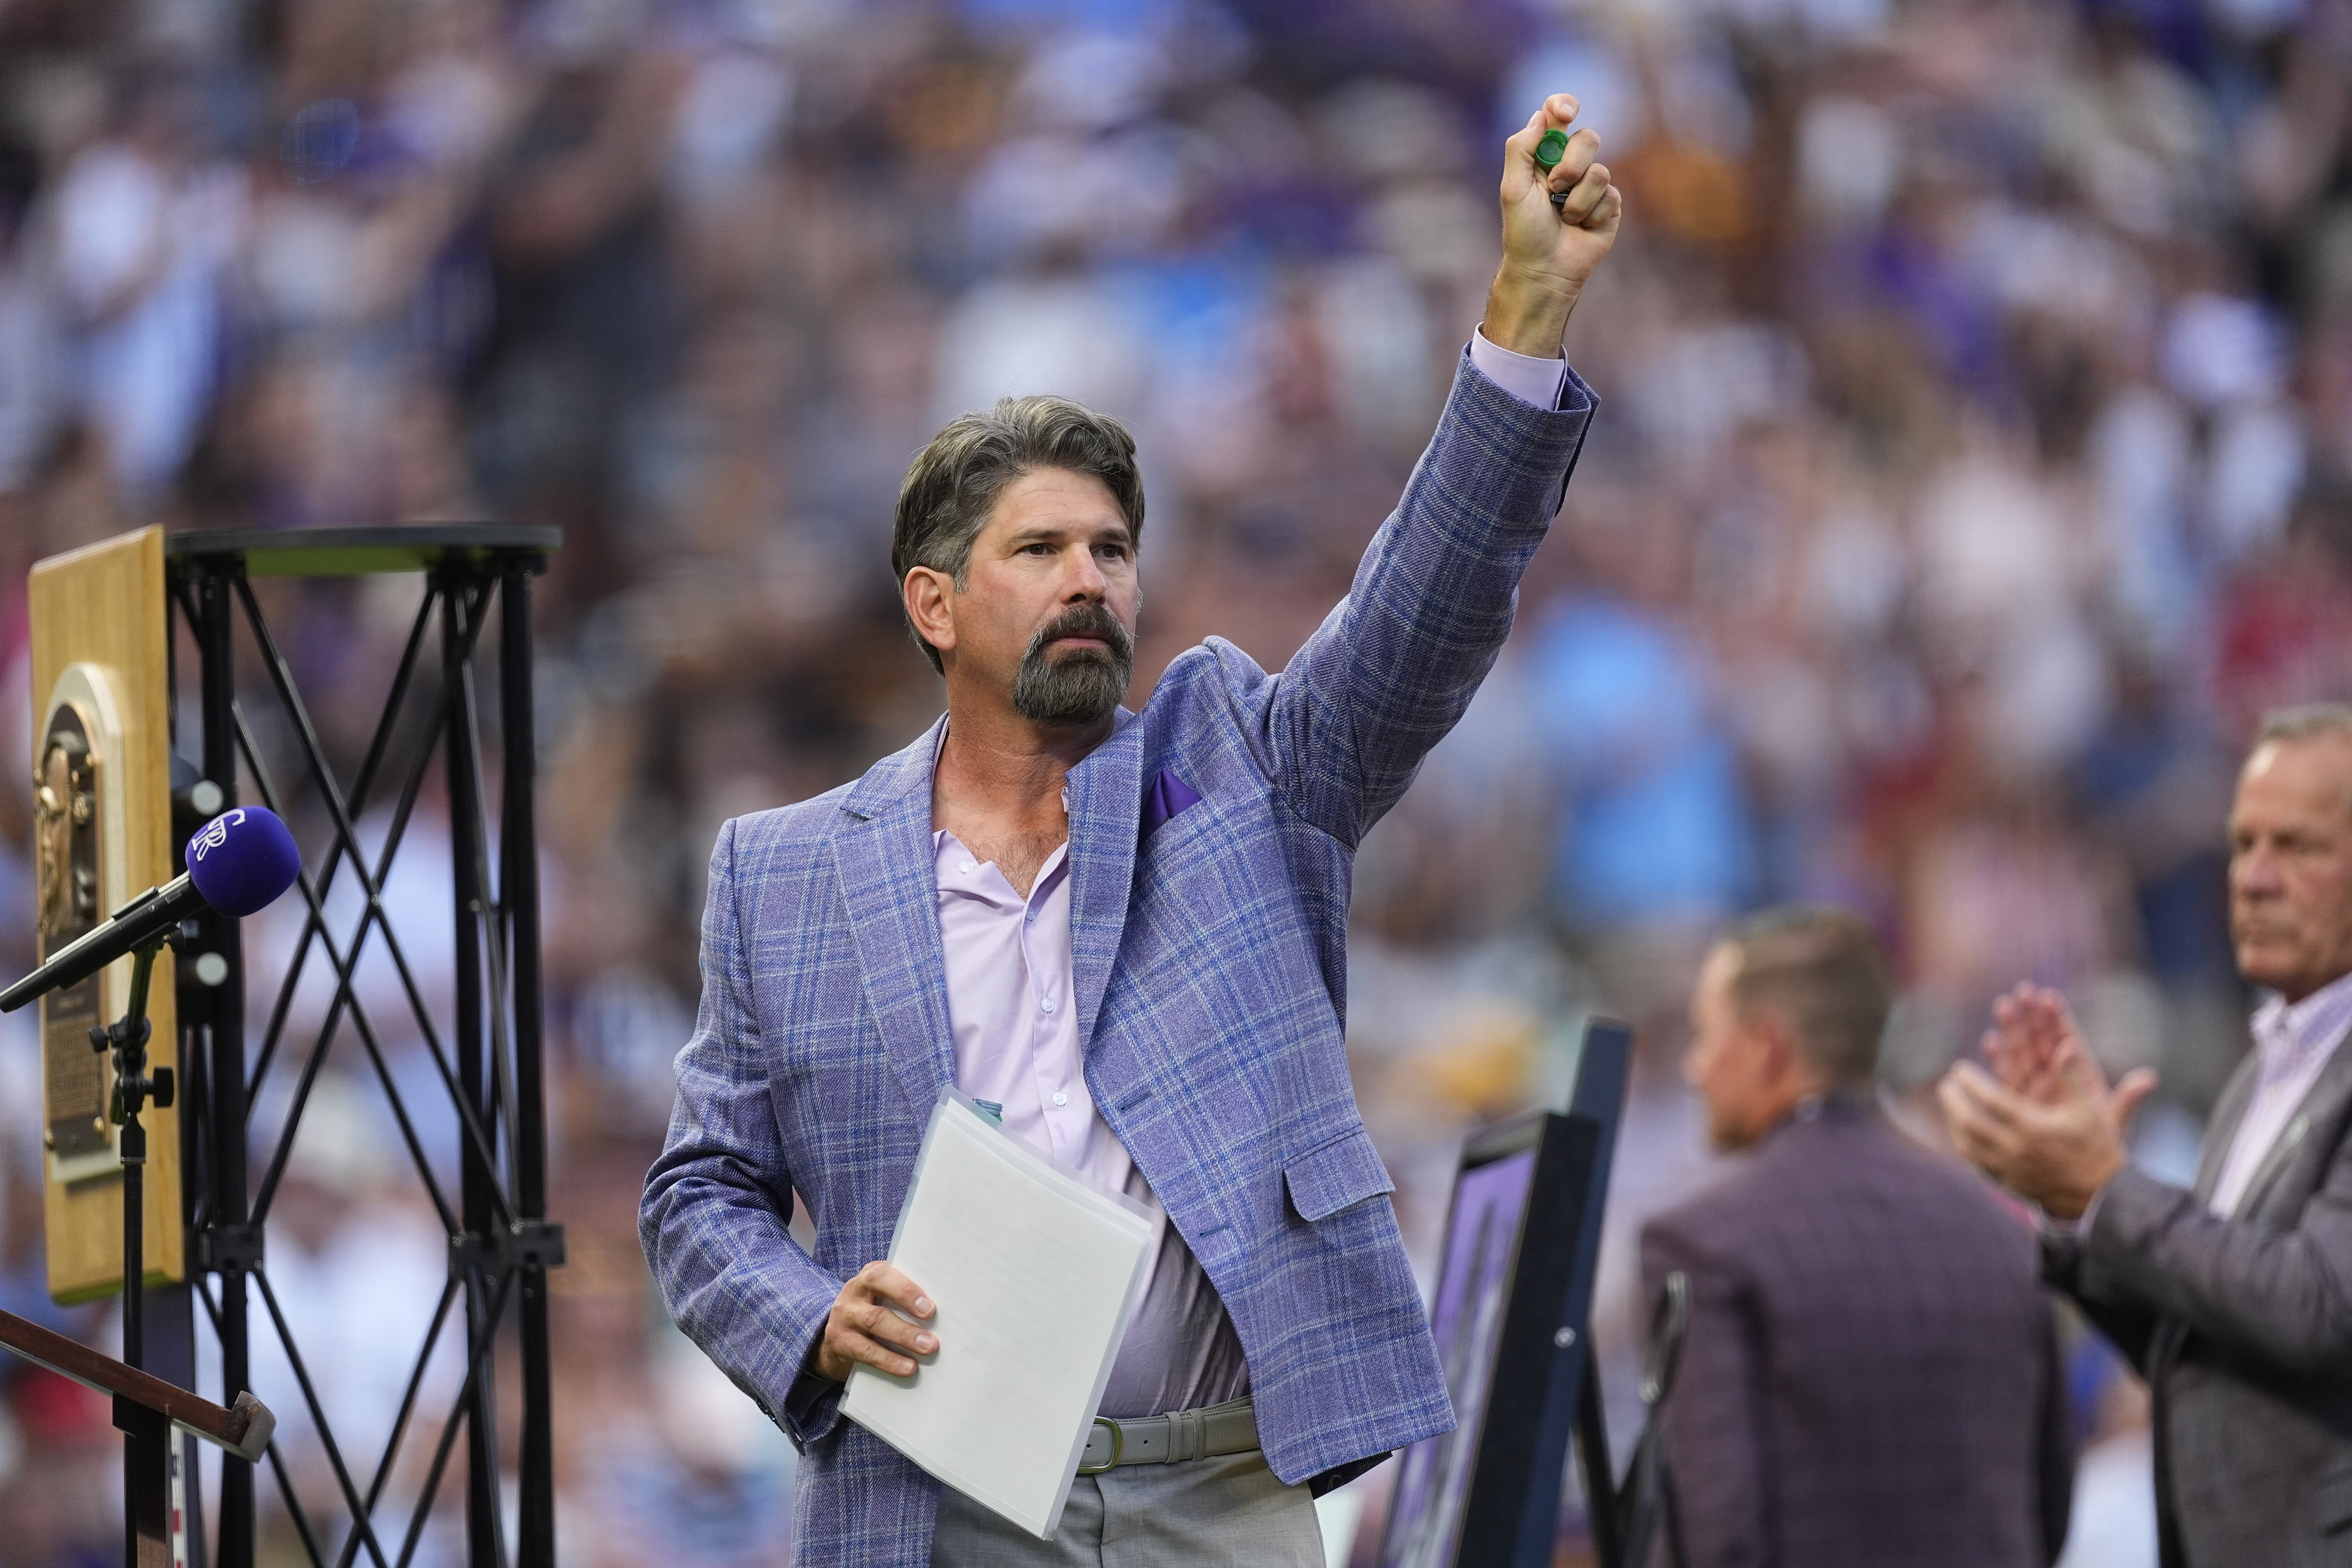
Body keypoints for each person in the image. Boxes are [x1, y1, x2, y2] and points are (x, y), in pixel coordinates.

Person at [639, 95, 1621, 1568]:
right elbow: (699, 1193)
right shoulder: (778, 875)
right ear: (933, 603)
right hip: (936, 1499)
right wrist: (809, 1318)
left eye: (1110, 549)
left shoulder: (1237, 765)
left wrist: (1527, 310)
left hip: (1217, 1495)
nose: (1088, 576)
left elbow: (1421, 618)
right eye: (1037, 551)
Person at [1943, 704, 2352, 1568]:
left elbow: (2319, 1306)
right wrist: (2073, 1206)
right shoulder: (2259, 1077)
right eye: (2242, 844)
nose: (2255, 877)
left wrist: (2110, 1189)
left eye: (2299, 847)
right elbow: (2201, 1341)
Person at [1642, 907, 2074, 1568]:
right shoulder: (2001, 1233)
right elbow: (2046, 1510)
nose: (1696, 1067)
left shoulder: (1705, 1246)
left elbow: (1719, 1536)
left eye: (1705, 1035)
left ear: (1767, 1046)